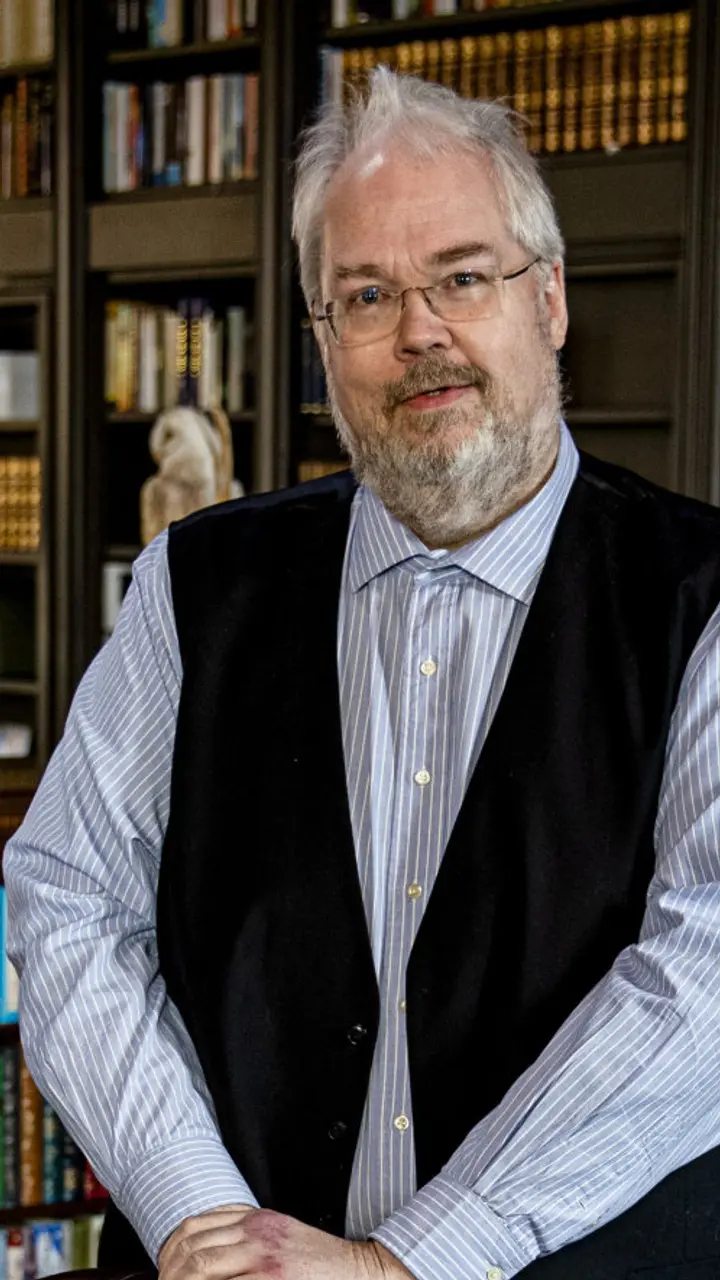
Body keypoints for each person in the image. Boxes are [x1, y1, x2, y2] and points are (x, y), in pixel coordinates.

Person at [5, 66, 720, 1280]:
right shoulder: (194, 584)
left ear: (549, 298)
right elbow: (69, 899)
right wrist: (202, 1220)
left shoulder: (701, 596)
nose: (420, 331)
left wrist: (406, 1263)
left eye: (463, 276)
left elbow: (704, 975)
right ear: (324, 341)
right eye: (368, 295)